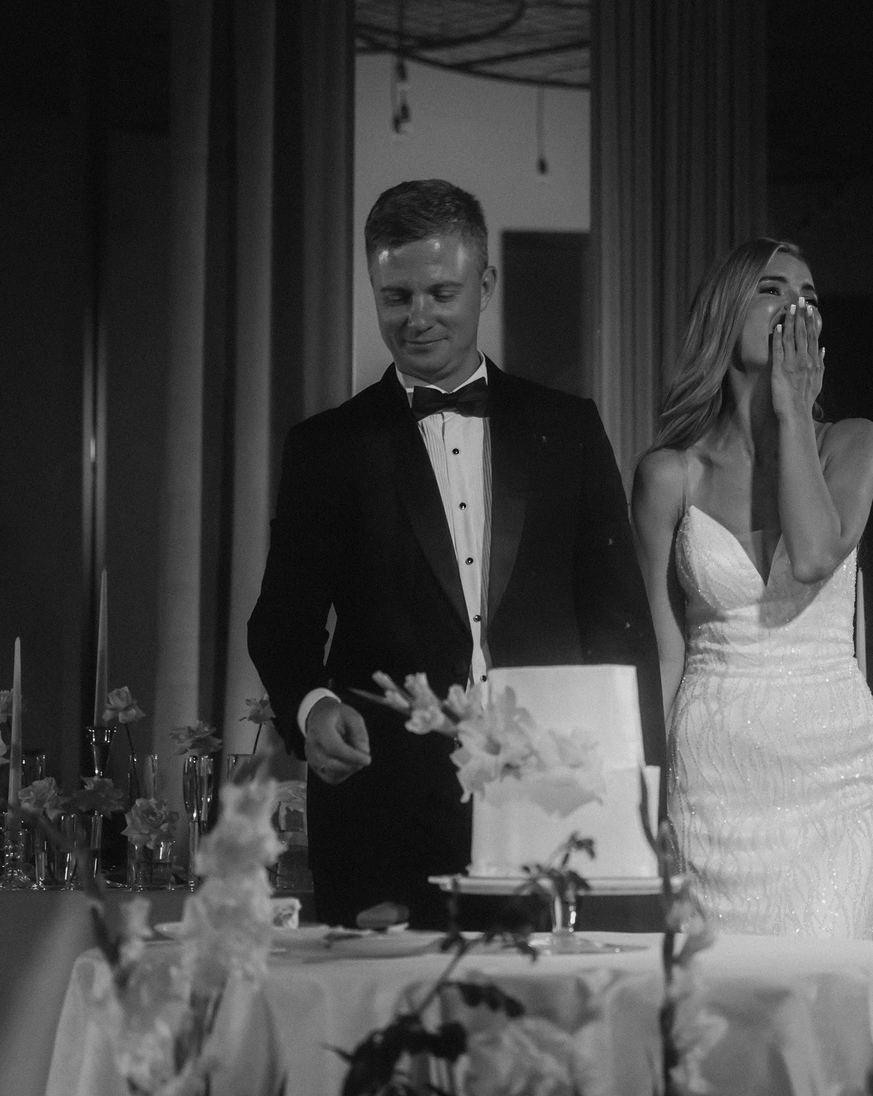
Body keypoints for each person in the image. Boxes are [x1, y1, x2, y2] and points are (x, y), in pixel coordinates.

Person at [249, 179, 665, 928]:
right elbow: (282, 624)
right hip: (384, 814)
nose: (418, 318)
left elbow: (620, 627)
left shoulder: (568, 429)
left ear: (486, 285)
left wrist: (642, 796)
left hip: (552, 806)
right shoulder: (327, 447)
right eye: (396, 296)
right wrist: (313, 707)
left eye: (441, 293)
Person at [631, 238, 873, 936]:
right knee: (714, 994)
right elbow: (665, 652)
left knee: (823, 981)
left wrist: (793, 409)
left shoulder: (852, 442)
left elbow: (812, 555)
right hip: (712, 779)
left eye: (809, 297)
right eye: (773, 290)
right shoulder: (669, 475)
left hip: (832, 774)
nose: (795, 308)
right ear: (725, 313)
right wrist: (647, 798)